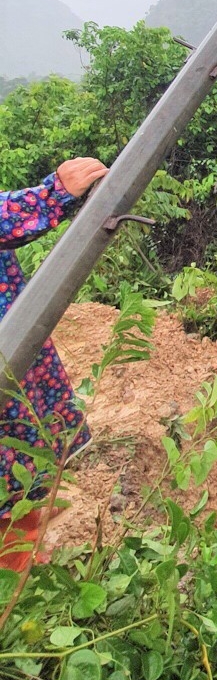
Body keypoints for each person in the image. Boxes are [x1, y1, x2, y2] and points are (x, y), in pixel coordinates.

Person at [0, 157, 108, 521]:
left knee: (30, 471)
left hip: (16, 354)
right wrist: (52, 192)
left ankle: (28, 555)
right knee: (12, 488)